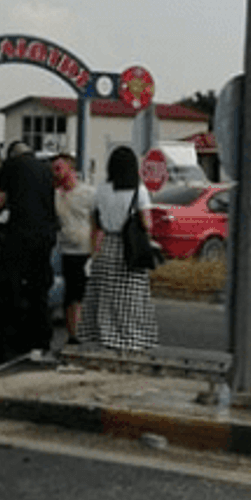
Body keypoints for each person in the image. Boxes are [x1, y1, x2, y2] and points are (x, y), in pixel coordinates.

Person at [79, 145, 158, 352]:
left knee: (105, 297)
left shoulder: (101, 190)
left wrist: (93, 253)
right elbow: (147, 224)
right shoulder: (139, 191)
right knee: (131, 299)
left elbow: (95, 225)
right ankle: (131, 338)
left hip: (106, 248)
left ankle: (103, 335)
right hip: (129, 250)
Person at [0, 141, 59, 359]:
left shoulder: (10, 165)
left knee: (10, 287)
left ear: (11, 154)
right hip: (46, 235)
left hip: (19, 233)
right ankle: (41, 342)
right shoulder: (46, 169)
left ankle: (8, 343)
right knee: (39, 289)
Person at [51, 153, 95, 345]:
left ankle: (87, 332)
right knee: (71, 295)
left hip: (86, 250)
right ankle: (73, 335)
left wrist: (96, 250)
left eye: (59, 168)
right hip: (66, 250)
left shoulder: (88, 193)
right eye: (53, 169)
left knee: (84, 294)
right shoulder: (55, 195)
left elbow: (97, 223)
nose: (55, 173)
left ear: (71, 169)